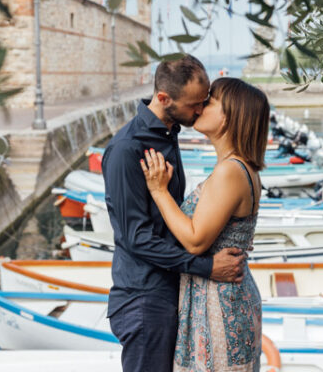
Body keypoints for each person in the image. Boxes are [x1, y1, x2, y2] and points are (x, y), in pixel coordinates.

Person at [103, 55, 246, 372]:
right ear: (164, 98)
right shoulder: (128, 149)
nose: (199, 110)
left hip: (168, 289)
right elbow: (137, 238)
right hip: (143, 297)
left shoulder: (169, 133)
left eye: (204, 102)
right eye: (194, 104)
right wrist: (207, 267)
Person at [141, 77, 270, 372]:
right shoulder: (239, 167)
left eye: (210, 101)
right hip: (220, 297)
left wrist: (159, 191)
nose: (200, 106)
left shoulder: (230, 171)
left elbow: (195, 240)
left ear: (230, 116)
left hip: (219, 303)